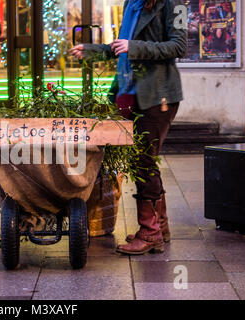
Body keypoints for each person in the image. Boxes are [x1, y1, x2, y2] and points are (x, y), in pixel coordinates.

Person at [70, 0, 187, 255]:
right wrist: (94, 50)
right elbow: (121, 48)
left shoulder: (173, 3)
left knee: (144, 161)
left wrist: (133, 47)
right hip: (130, 94)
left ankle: (151, 232)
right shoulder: (131, 3)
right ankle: (160, 227)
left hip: (158, 97)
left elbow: (179, 45)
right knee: (144, 162)